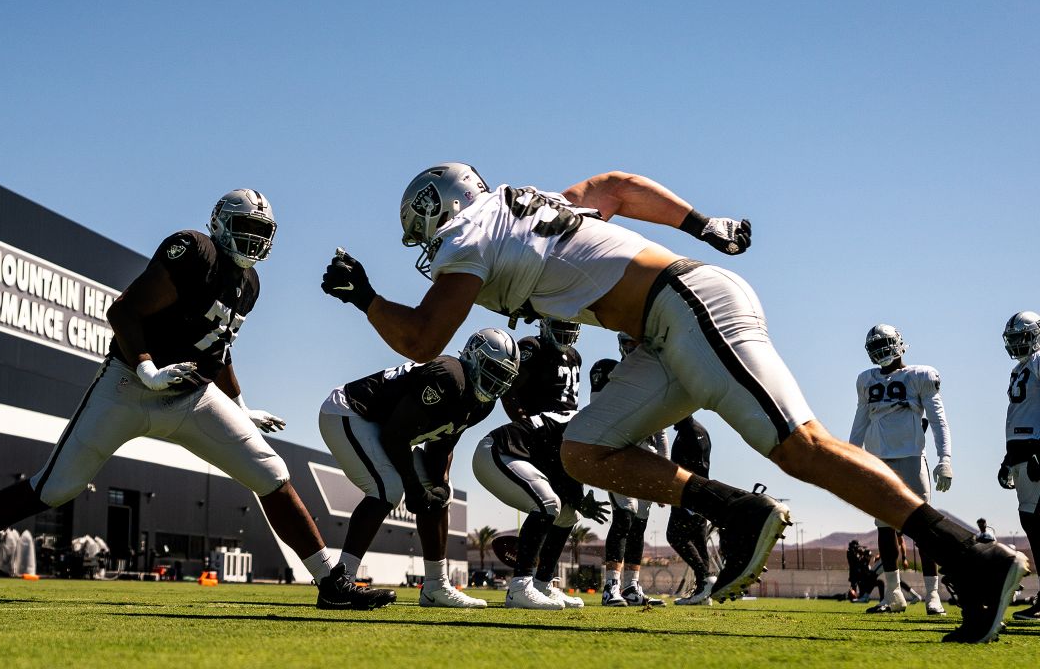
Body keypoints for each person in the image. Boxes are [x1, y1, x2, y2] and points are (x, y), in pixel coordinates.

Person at [320, 162, 1029, 643]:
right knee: (582, 449)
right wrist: (704, 222)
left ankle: (973, 557)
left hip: (688, 310)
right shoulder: (519, 212)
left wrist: (364, 298)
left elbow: (421, 338)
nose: (427, 245)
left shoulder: (471, 232)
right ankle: (737, 511)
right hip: (662, 332)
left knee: (799, 448)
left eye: (423, 228)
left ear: (436, 211)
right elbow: (617, 188)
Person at [0, 190, 394, 611]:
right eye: (244, 226)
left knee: (272, 474)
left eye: (261, 230)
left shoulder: (249, 284)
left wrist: (240, 406)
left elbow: (217, 349)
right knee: (53, 488)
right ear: (219, 224)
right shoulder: (192, 250)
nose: (253, 238)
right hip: (130, 385)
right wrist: (149, 369)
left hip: (193, 396)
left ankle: (331, 583)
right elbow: (125, 312)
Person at [319, 327, 520, 608]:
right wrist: (414, 489)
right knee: (388, 488)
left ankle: (436, 586)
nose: (496, 382)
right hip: (351, 411)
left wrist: (439, 485)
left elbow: (442, 443)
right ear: (473, 357)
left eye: (503, 376)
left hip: (386, 427)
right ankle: (339, 582)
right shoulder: (449, 376)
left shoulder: (482, 405)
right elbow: (395, 435)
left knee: (439, 493)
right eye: (492, 370)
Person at [473, 318, 609, 609]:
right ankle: (520, 587)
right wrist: (525, 423)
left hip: (543, 443)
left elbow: (567, 461)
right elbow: (510, 388)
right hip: (514, 445)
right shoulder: (531, 348)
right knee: (550, 504)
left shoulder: (575, 405)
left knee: (567, 515)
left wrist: (579, 499)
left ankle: (541, 584)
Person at [848, 324, 952, 616]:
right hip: (879, 461)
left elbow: (938, 420)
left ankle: (933, 595)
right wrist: (851, 459)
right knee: (884, 527)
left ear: (899, 344)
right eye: (875, 346)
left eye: (885, 344)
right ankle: (893, 594)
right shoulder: (865, 380)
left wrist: (945, 457)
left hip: (911, 458)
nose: (881, 351)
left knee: (923, 530)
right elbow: (860, 422)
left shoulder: (919, 376)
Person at [592, 335, 666, 607]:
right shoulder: (608, 371)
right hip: (620, 452)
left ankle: (631, 587)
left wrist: (663, 470)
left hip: (646, 456)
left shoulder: (654, 376)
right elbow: (600, 414)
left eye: (638, 343)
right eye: (629, 342)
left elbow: (661, 430)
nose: (633, 348)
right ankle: (610, 586)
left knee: (640, 524)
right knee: (625, 515)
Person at [999, 311, 1040, 621]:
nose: (1016, 344)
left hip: (1035, 452)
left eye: (1021, 338)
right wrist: (1007, 459)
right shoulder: (1020, 368)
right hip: (1021, 455)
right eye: (1012, 339)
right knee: (1031, 521)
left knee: (1036, 523)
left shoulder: (1038, 361)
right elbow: (1017, 419)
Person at [666, 415, 714, 605]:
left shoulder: (694, 432)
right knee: (698, 542)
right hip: (689, 495)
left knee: (675, 536)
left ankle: (705, 580)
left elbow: (699, 469)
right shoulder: (686, 430)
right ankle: (704, 592)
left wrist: (690, 501)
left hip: (689, 496)